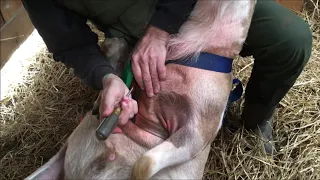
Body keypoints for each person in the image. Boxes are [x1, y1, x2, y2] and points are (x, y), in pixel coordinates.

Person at [22, 0, 312, 155]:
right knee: (132, 105)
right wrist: (105, 77)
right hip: (133, 33)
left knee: (290, 39)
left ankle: (256, 119)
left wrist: (160, 31)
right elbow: (70, 44)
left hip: (203, 8)